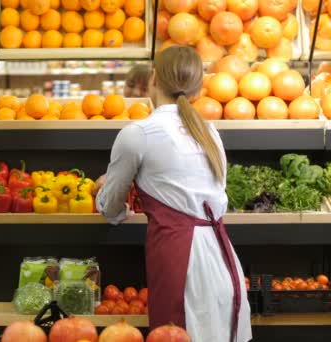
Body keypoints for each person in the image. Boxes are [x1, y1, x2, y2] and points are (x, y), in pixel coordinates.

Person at [95, 46, 252, 342]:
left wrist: (112, 195)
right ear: (199, 87)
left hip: (182, 265)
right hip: (223, 261)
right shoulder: (209, 132)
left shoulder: (138, 133)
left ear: (153, 79)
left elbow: (109, 208)